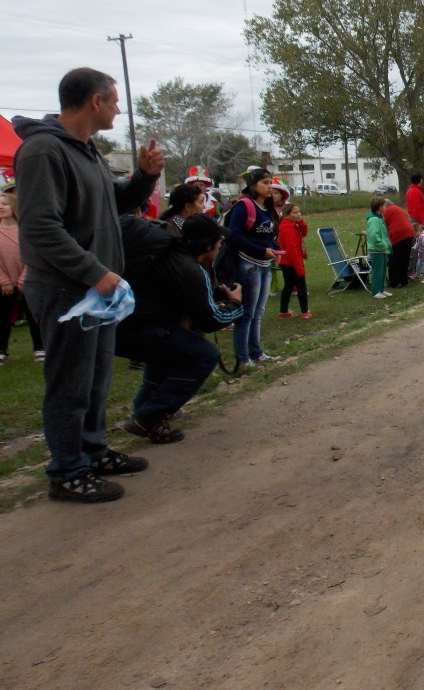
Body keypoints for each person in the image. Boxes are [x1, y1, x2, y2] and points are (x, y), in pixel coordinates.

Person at [13, 67, 163, 502]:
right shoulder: (44, 151)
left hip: (95, 290)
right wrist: (94, 272)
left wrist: (145, 178)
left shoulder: (87, 151)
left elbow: (115, 202)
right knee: (69, 383)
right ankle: (67, 471)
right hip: (66, 290)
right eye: (114, 100)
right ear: (95, 101)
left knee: (95, 378)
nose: (118, 108)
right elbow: (40, 228)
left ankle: (92, 451)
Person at [116, 212, 242, 443]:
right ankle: (148, 416)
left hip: (120, 326)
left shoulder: (169, 255)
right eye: (218, 240)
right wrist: (236, 304)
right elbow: (210, 320)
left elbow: (182, 295)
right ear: (207, 244)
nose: (221, 244)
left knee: (165, 355)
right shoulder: (190, 268)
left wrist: (212, 295)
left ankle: (145, 412)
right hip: (142, 327)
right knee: (205, 355)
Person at [223, 167, 281, 368]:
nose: (269, 186)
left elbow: (269, 236)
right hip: (248, 264)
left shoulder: (268, 208)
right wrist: (260, 250)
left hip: (265, 264)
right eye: (265, 183)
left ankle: (257, 352)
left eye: (270, 182)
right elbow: (234, 235)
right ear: (253, 185)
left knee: (259, 312)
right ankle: (243, 357)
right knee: (247, 312)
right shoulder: (244, 206)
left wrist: (276, 249)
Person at [0, 190, 44, 365]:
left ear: (13, 205)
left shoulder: (25, 230)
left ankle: (40, 347)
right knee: (2, 317)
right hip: (4, 284)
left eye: (4, 203)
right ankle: (2, 349)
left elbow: (33, 255)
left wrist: (25, 278)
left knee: (34, 316)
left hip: (28, 280)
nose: (1, 207)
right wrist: (4, 281)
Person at [277, 202, 310, 319]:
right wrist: (299, 267)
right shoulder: (287, 228)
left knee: (289, 285)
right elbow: (292, 250)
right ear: (287, 215)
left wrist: (301, 221)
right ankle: (305, 311)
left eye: (299, 212)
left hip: (288, 261)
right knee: (301, 285)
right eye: (295, 213)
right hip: (290, 261)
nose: (298, 214)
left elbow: (304, 233)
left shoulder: (293, 225)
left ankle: (283, 311)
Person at [382, 199, 415, 289]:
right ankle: (404, 280)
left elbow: (382, 224)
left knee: (394, 259)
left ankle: (395, 282)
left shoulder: (387, 210)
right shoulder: (399, 209)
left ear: (385, 205)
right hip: (409, 233)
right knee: (405, 258)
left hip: (398, 235)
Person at [365, 197, 392, 298]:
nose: (385, 207)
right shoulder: (374, 220)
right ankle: (375, 291)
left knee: (383, 270)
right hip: (376, 249)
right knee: (377, 271)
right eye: (384, 205)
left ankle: (381, 289)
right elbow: (373, 235)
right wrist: (382, 243)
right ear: (379, 207)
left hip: (382, 249)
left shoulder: (380, 218)